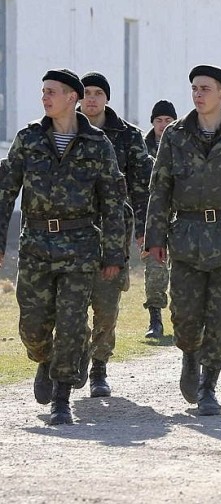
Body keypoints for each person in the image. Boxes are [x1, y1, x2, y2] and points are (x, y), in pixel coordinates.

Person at [0, 69, 127, 425]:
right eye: (43, 92)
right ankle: (45, 358)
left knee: (72, 322)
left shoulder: (97, 143)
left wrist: (114, 254)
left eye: (51, 92)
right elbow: (5, 191)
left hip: (81, 244)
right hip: (37, 243)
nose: (44, 98)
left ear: (71, 97)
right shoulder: (28, 138)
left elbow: (113, 202)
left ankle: (61, 397)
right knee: (32, 326)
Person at [145, 64, 221, 416]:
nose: (198, 94)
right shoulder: (175, 134)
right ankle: (190, 356)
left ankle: (209, 384)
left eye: (205, 88)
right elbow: (160, 188)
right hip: (186, 236)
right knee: (184, 315)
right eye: (194, 88)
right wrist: (155, 237)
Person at [78, 71, 153, 398]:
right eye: (86, 93)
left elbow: (141, 186)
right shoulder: (65, 129)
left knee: (106, 303)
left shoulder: (127, 136)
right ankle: (76, 352)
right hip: (74, 231)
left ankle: (99, 368)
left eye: (97, 93)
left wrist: (144, 231)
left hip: (113, 230)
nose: (91, 99)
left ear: (107, 98)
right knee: (71, 299)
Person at [142, 99, 177, 338]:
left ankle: (183, 319)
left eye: (168, 121)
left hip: (180, 218)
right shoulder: (141, 151)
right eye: (159, 121)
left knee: (182, 272)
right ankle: (155, 319)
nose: (163, 125)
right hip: (153, 219)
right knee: (154, 270)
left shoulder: (182, 145)